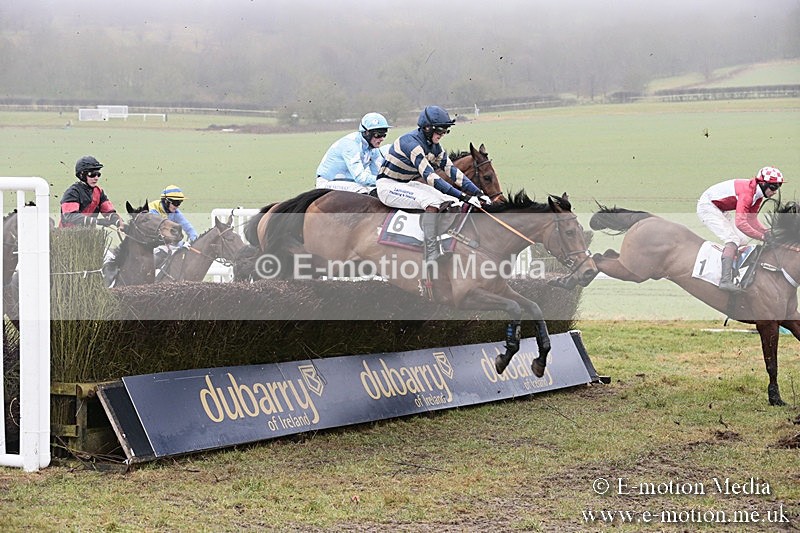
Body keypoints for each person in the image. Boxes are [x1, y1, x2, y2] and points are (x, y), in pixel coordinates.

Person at [376, 105, 491, 262]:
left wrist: (478, 193)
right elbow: (431, 178)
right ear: (427, 128)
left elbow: (453, 171)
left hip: (407, 184)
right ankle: (430, 252)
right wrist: (464, 196)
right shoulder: (412, 145)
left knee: (450, 201)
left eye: (445, 131)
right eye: (440, 131)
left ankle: (444, 241)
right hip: (388, 186)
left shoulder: (435, 147)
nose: (443, 134)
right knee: (432, 202)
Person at [697, 166, 784, 292]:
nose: (775, 191)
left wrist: (766, 232)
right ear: (763, 184)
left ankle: (734, 272)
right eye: (773, 187)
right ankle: (725, 280)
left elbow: (751, 220)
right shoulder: (748, 193)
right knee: (732, 239)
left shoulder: (758, 195)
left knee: (742, 240)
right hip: (708, 206)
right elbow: (741, 223)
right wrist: (763, 237)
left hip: (720, 208)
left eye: (778, 187)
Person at [315, 112, 391, 194]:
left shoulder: (373, 149)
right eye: (378, 135)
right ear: (366, 133)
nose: (382, 139)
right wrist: (384, 181)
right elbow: (361, 178)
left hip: (349, 183)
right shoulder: (351, 146)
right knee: (363, 191)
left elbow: (377, 174)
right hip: (327, 182)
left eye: (384, 135)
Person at [59, 155, 126, 230]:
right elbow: (71, 216)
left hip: (90, 234)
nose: (96, 178)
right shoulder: (72, 192)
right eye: (92, 174)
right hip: (69, 235)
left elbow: (109, 212)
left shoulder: (99, 192)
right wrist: (97, 221)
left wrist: (119, 223)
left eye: (98, 174)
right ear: (82, 175)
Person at [149, 185, 197, 272]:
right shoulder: (152, 210)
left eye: (179, 203)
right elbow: (162, 234)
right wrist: (181, 244)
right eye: (176, 203)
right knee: (163, 253)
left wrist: (195, 242)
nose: (177, 206)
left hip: (162, 242)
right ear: (166, 201)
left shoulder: (175, 211)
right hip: (148, 240)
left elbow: (189, 228)